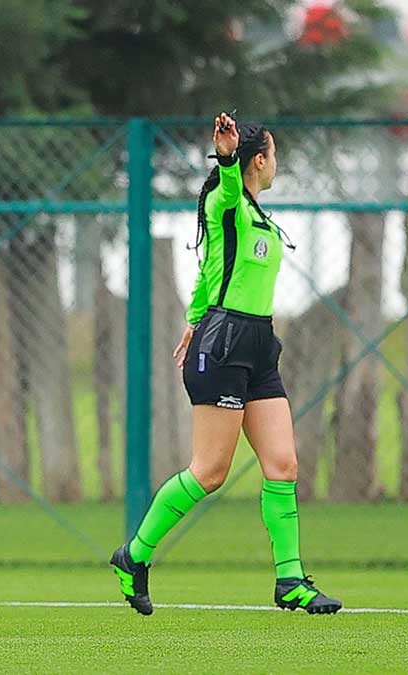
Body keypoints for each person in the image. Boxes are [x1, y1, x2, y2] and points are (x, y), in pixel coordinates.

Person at [110, 112, 341, 615]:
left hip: (259, 344)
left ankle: (290, 581)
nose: (276, 164)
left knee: (283, 465)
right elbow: (230, 197)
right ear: (259, 160)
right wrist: (227, 157)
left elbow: (209, 270)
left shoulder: (260, 217)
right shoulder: (226, 200)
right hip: (226, 345)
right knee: (211, 472)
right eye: (273, 155)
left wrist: (193, 318)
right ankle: (135, 555)